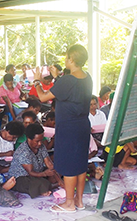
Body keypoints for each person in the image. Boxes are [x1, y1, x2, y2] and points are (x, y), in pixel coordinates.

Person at [34, 44, 92, 212]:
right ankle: (79, 201)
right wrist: (57, 77)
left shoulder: (68, 80)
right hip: (82, 125)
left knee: (69, 166)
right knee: (81, 163)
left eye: (67, 57)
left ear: (71, 59)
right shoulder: (87, 77)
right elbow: (70, 90)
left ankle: (68, 203)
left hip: (69, 127)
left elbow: (43, 97)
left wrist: (37, 81)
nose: (65, 59)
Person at [9, 123, 63, 198]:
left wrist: (59, 180)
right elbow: (30, 172)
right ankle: (45, 187)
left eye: (41, 140)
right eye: (37, 141)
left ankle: (47, 187)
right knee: (41, 184)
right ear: (28, 138)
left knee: (59, 172)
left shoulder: (41, 146)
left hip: (38, 173)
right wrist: (45, 174)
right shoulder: (23, 151)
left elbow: (49, 164)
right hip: (21, 178)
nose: (40, 143)